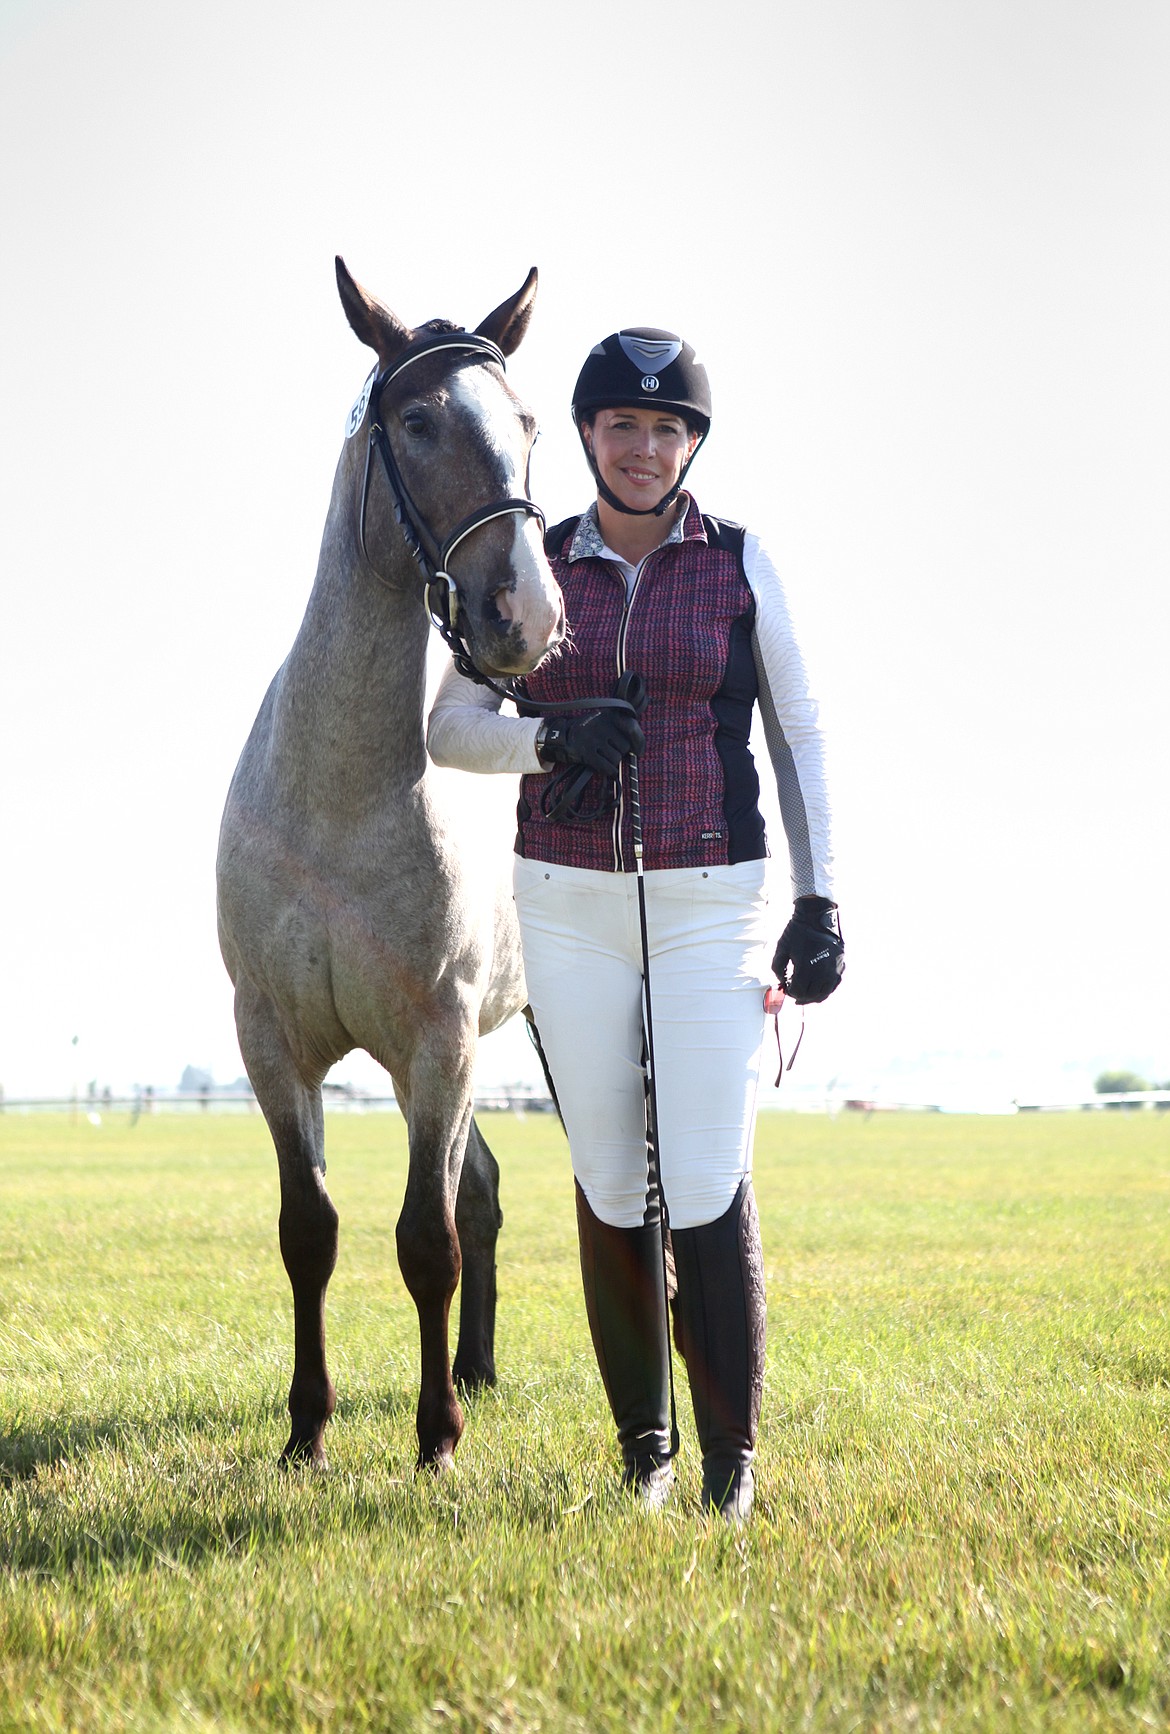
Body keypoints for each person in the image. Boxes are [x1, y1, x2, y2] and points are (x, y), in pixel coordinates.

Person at [427, 328, 842, 1522]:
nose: (645, 448)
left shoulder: (744, 565)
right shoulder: (534, 564)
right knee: (611, 1181)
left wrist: (822, 901)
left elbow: (800, 735)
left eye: (667, 429)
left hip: (714, 901)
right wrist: (547, 736)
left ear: (692, 443)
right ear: (590, 438)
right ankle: (644, 1456)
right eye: (622, 427)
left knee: (706, 1177)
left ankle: (731, 1464)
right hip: (566, 904)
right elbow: (450, 726)